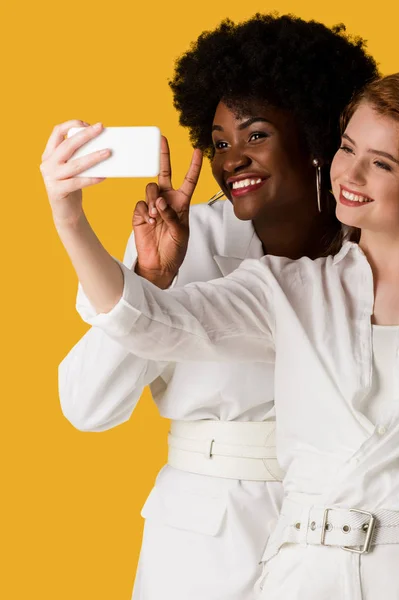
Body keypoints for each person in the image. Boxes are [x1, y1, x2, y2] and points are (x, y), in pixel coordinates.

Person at [44, 72, 399, 600]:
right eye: (348, 148)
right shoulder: (291, 288)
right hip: (293, 565)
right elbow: (144, 321)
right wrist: (72, 220)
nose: (350, 175)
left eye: (379, 163)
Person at [51, 14, 377, 600]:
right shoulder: (179, 239)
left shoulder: (375, 247)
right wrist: (152, 279)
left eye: (255, 135)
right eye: (221, 141)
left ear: (315, 135)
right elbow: (87, 406)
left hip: (344, 531)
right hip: (201, 541)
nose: (232, 160)